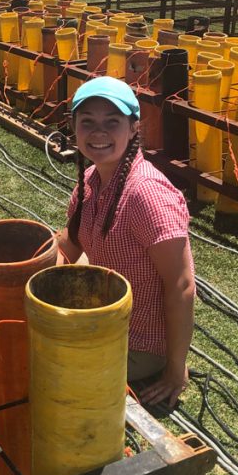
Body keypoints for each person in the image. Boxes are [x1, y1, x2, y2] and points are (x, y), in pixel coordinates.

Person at [57, 76, 195, 407]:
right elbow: (68, 245)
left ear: (133, 128)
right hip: (106, 318)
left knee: (52, 364)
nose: (98, 132)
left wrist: (176, 371)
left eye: (112, 122)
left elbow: (182, 285)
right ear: (74, 127)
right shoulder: (91, 180)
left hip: (138, 344)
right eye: (87, 122)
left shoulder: (146, 195)